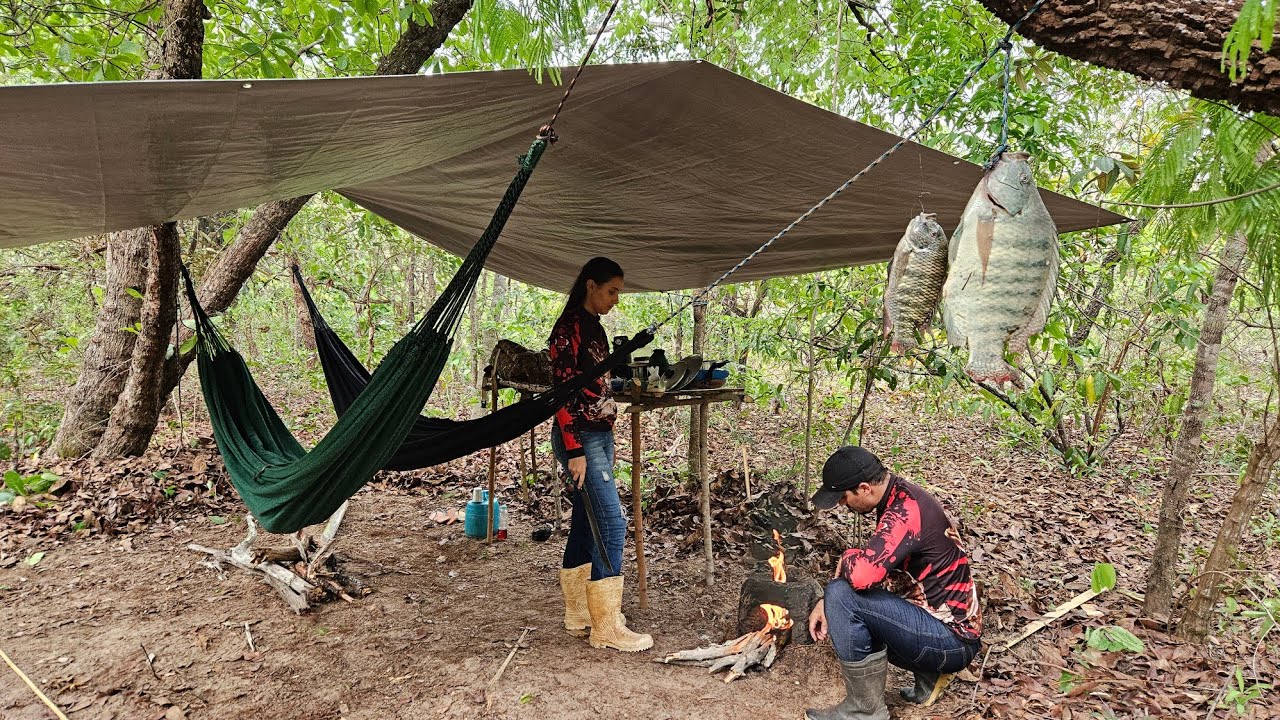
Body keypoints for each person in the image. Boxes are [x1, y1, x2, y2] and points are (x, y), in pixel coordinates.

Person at [804, 446, 982, 720]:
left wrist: (847, 558)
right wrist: (824, 601)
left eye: (843, 497)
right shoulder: (897, 495)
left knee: (841, 594)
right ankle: (929, 676)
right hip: (947, 631)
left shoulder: (904, 512)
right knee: (840, 594)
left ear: (864, 489)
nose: (842, 504)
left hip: (952, 641)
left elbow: (863, 576)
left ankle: (865, 711)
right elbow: (879, 572)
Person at [549, 256, 653, 653]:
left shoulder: (595, 329)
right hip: (581, 440)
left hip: (599, 435)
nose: (615, 300)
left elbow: (594, 381)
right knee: (611, 521)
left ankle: (579, 614)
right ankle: (607, 626)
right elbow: (560, 393)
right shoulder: (568, 328)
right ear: (590, 285)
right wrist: (574, 448)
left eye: (618, 294)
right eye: (611, 291)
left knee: (585, 520)